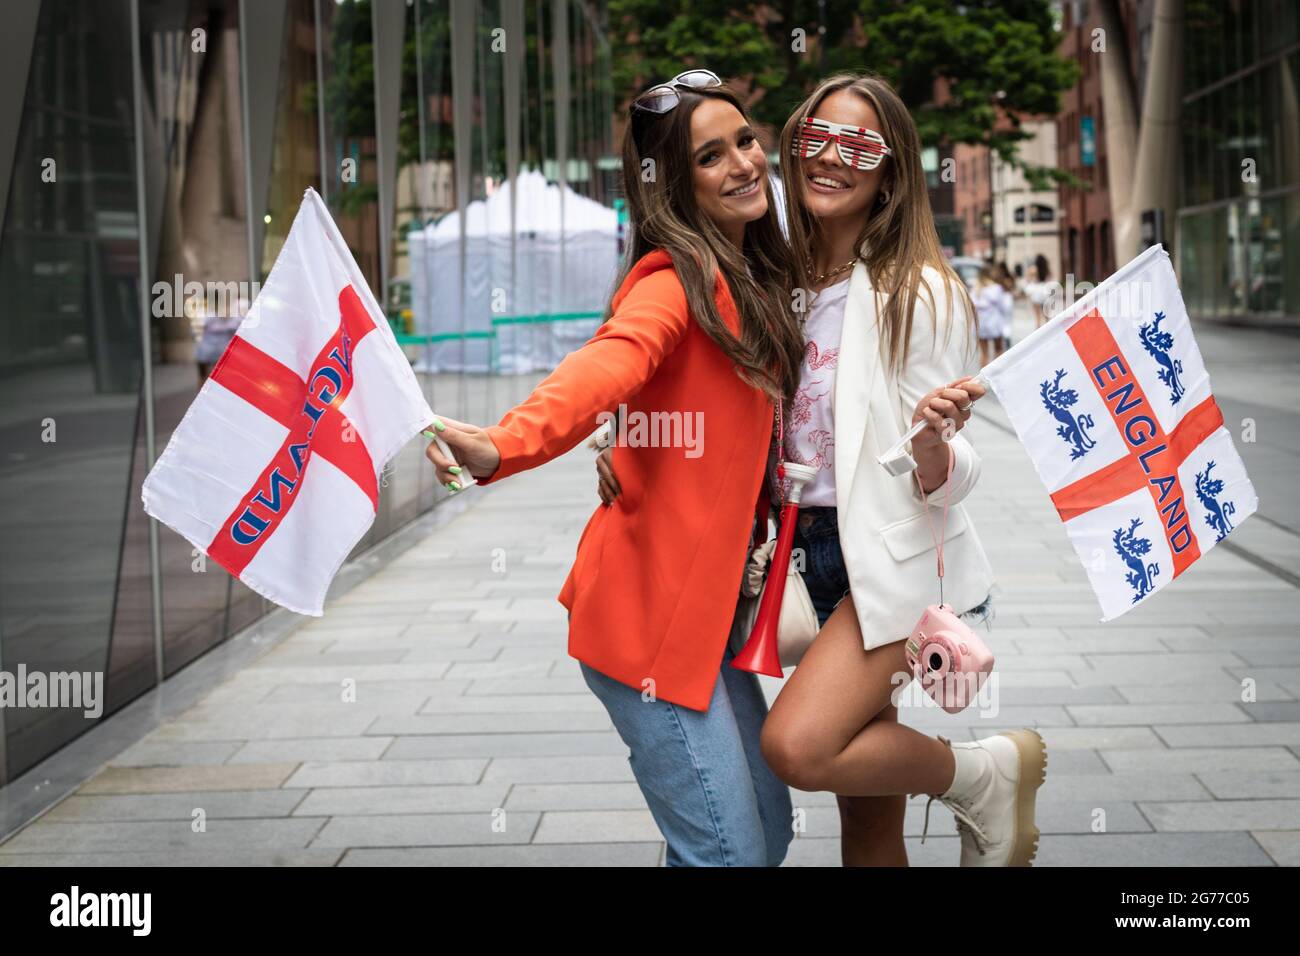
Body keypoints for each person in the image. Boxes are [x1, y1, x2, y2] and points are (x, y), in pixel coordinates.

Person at [600, 73, 1047, 867]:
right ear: (796, 142)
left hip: (892, 565)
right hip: (796, 563)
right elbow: (705, 401)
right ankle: (976, 783)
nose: (832, 159)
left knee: (798, 745)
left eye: (861, 146)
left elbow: (959, 472)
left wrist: (934, 447)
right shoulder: (772, 279)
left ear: (891, 172)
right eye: (817, 138)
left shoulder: (924, 293)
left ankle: (980, 775)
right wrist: (625, 443)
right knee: (867, 819)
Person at [424, 71, 808, 866]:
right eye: (710, 157)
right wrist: (504, 443)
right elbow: (609, 365)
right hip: (645, 622)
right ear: (677, 184)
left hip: (707, 618)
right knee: (729, 854)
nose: (742, 163)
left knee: (764, 835)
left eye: (745, 140)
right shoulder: (676, 281)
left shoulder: (757, 279)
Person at [972, 265, 1004, 367]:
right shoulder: (996, 288)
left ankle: (984, 379)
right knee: (998, 350)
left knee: (984, 353)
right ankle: (999, 373)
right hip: (994, 321)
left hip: (981, 322)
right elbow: (1001, 304)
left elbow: (973, 304)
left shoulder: (976, 288)